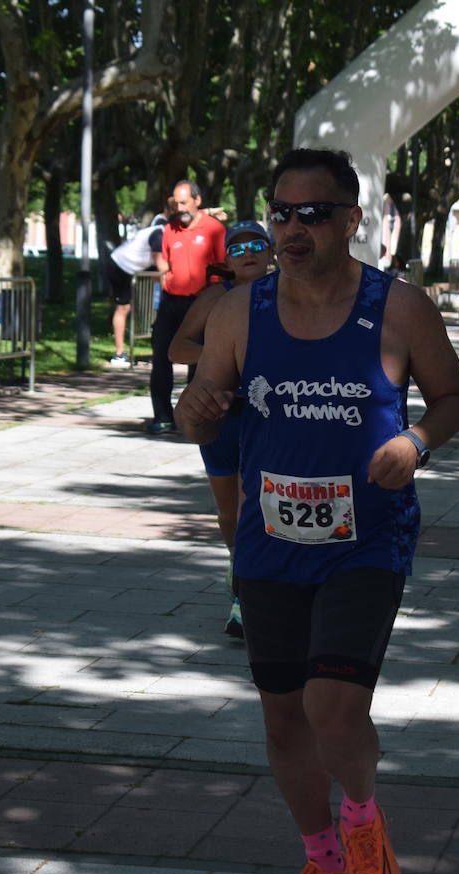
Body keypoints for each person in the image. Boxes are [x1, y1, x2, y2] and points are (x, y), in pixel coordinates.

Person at [175, 148, 459, 874]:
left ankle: (364, 821)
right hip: (269, 540)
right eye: (281, 212)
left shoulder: (399, 307)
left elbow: (450, 397)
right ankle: (321, 864)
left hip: (366, 539)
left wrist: (416, 444)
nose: (293, 228)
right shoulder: (243, 311)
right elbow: (196, 403)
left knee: (331, 708)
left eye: (312, 213)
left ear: (350, 219)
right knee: (281, 718)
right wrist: (197, 410)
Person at [170, 220, 276, 640]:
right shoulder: (217, 296)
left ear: (272, 252)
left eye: (257, 244)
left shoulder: (286, 294)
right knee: (229, 511)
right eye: (237, 248)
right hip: (218, 414)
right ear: (227, 261)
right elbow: (177, 347)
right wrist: (223, 355)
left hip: (263, 414)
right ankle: (238, 564)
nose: (248, 252)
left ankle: (244, 598)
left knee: (254, 507)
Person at [150, 180, 226, 434]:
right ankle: (162, 416)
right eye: (175, 203)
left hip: (202, 303)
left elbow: (224, 265)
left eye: (184, 202)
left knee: (198, 359)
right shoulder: (169, 229)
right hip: (172, 302)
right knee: (161, 356)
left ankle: (193, 416)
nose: (179, 207)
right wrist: (165, 274)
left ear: (197, 200)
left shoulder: (214, 228)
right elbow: (163, 257)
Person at [104, 209, 168, 368]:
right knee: (123, 308)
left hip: (132, 267)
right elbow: (161, 265)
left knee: (142, 308)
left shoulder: (159, 229)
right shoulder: (158, 234)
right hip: (120, 265)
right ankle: (119, 354)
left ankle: (159, 350)